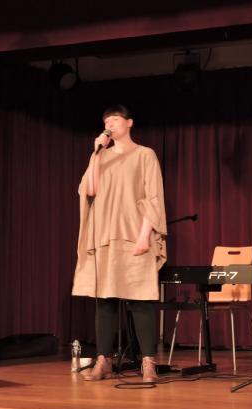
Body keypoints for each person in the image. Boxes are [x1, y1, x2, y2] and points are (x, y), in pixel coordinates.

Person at [72, 104, 167, 383]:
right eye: (106, 122)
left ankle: (148, 362)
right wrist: (96, 154)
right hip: (104, 236)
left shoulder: (145, 154)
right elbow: (89, 190)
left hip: (135, 235)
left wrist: (144, 235)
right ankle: (104, 361)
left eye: (114, 120)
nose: (110, 125)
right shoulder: (101, 156)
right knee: (105, 301)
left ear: (129, 123)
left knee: (141, 300)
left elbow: (153, 197)